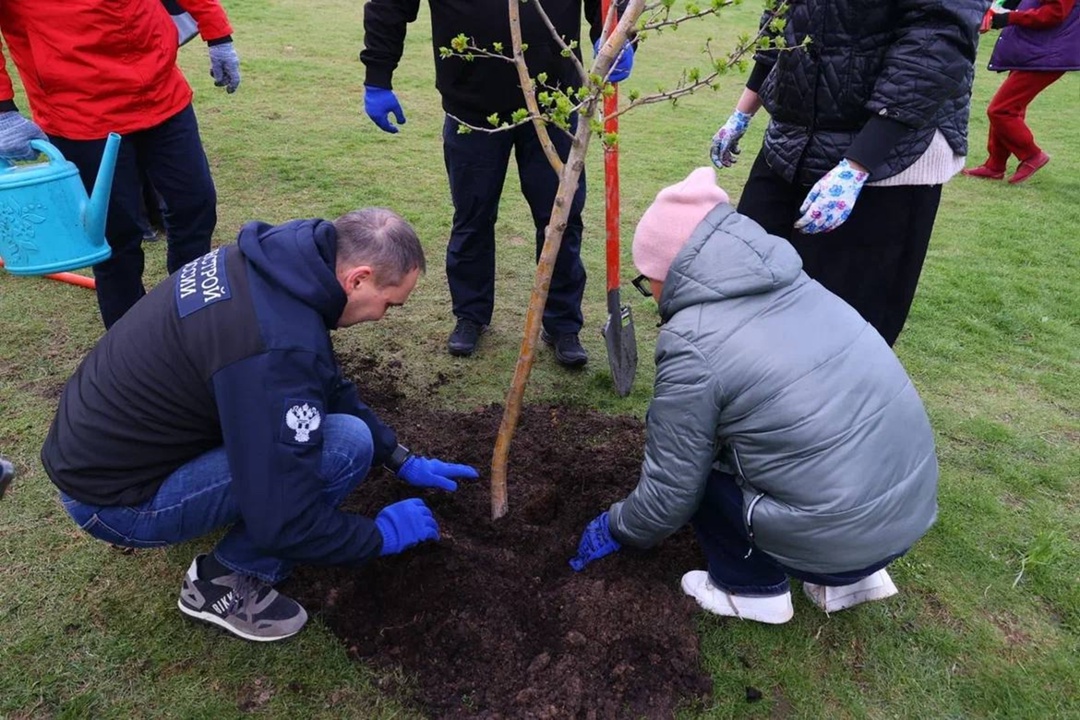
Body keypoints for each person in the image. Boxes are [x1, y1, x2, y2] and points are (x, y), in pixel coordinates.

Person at [40, 208, 480, 642]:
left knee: (344, 438)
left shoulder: (273, 265)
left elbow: (323, 379)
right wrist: (378, 536)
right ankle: (223, 584)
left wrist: (397, 457)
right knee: (344, 447)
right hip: (113, 501)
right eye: (389, 303)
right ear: (358, 278)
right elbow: (284, 519)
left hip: (96, 451)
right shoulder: (278, 349)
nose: (383, 316)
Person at [569, 168, 939, 624]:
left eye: (648, 282)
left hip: (832, 536)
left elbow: (671, 493)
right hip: (903, 515)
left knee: (700, 467)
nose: (651, 297)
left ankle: (751, 590)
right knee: (802, 439)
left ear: (673, 268)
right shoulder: (800, 286)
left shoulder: (694, 341)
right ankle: (851, 579)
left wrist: (617, 526)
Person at [359, 0, 634, 366]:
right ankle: (470, 314)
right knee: (473, 214)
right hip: (471, 106)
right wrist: (378, 75)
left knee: (561, 219)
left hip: (554, 103)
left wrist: (619, 38)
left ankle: (563, 323)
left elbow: (614, 3)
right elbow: (390, 5)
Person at [708, 0, 983, 346]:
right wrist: (742, 113)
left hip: (891, 154)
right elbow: (779, 27)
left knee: (839, 322)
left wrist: (858, 164)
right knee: (746, 281)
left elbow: (935, 44)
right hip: (793, 139)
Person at [0, 0, 242, 329]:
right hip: (81, 113)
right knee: (116, 235)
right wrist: (3, 111)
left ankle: (193, 314)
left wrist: (218, 36)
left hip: (161, 93)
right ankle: (131, 345)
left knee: (195, 205)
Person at [963, 0, 1079, 184]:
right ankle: (995, 165)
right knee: (1011, 108)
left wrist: (1011, 17)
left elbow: (1055, 13)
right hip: (1036, 48)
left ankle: (1032, 155)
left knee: (1001, 110)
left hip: (1048, 53)